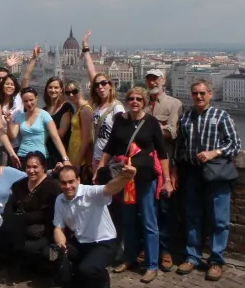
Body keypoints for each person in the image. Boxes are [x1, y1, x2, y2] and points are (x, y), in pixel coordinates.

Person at [99, 87, 171, 284]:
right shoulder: (120, 121)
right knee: (128, 221)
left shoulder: (151, 123)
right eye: (131, 98)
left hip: (146, 180)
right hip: (124, 180)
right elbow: (110, 146)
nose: (134, 101)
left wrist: (167, 179)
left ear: (145, 102)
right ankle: (130, 258)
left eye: (139, 99)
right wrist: (101, 166)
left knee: (149, 222)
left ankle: (152, 265)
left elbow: (162, 153)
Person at [173, 79, 241, 282]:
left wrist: (215, 152)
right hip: (192, 173)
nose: (199, 97)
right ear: (191, 95)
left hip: (216, 173)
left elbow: (235, 144)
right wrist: (176, 169)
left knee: (219, 220)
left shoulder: (221, 116)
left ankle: (216, 260)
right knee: (192, 216)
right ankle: (192, 256)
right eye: (195, 93)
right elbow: (180, 148)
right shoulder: (185, 118)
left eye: (203, 93)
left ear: (210, 94)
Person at [53, 163, 137, 288]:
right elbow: (58, 228)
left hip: (104, 242)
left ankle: (103, 281)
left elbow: (109, 188)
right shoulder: (60, 199)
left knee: (87, 269)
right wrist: (61, 246)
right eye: (63, 183)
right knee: (52, 254)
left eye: (71, 182)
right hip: (80, 242)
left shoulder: (90, 192)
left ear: (78, 180)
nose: (67, 186)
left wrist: (126, 177)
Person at [144, 69, 183, 271]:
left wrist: (152, 128)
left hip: (164, 164)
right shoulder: (140, 102)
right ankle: (147, 247)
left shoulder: (173, 104)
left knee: (165, 210)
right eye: (149, 78)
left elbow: (174, 132)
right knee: (145, 209)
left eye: (155, 78)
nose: (152, 82)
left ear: (163, 80)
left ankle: (166, 250)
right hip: (143, 166)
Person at [0, 151, 60, 267]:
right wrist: (11, 218)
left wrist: (21, 218)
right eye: (28, 167)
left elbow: (46, 214)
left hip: (41, 229)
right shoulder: (20, 184)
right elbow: (10, 204)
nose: (31, 170)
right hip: (19, 225)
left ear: (43, 168)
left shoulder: (50, 186)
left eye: (35, 167)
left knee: (30, 248)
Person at [82, 31, 125, 173]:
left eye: (104, 83)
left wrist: (104, 161)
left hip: (110, 160)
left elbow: (122, 134)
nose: (100, 86)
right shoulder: (97, 105)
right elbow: (91, 72)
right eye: (97, 85)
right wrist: (86, 49)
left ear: (110, 85)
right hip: (96, 158)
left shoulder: (117, 107)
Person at [5, 87, 70, 169]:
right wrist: (8, 123)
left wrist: (65, 158)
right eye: (25, 101)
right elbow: (12, 136)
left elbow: (55, 137)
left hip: (40, 157)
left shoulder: (44, 115)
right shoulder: (20, 116)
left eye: (31, 100)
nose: (29, 103)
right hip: (22, 156)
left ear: (36, 98)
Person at [64, 81, 94, 181]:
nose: (71, 95)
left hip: (81, 159)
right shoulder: (77, 108)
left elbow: (87, 138)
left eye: (74, 91)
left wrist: (78, 161)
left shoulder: (85, 109)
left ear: (80, 91)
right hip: (74, 154)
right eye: (68, 93)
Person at [42, 76, 73, 169]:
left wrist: (42, 133)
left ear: (61, 90)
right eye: (50, 87)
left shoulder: (66, 107)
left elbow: (61, 133)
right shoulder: (44, 110)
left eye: (56, 88)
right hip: (46, 152)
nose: (53, 90)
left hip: (60, 153)